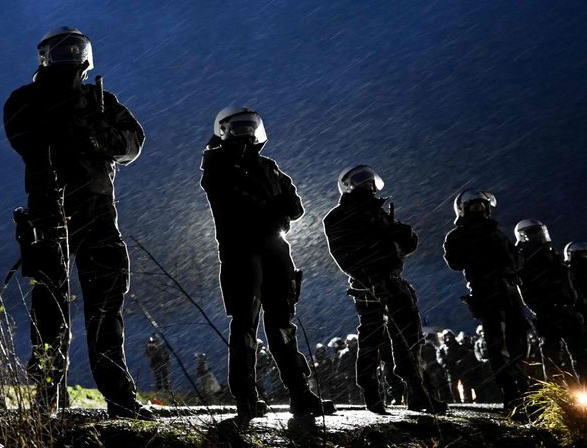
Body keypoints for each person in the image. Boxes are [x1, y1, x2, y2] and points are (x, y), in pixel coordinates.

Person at [3, 27, 148, 419]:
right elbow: (25, 139)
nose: (69, 56)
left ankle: (119, 395)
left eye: (75, 49)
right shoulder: (26, 99)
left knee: (105, 301)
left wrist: (97, 135)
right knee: (49, 301)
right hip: (47, 207)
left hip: (97, 209)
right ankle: (48, 394)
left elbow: (133, 141)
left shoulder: (100, 100)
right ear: (45, 57)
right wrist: (73, 121)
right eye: (61, 50)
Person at [200, 107, 334, 420]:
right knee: (245, 323)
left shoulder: (269, 166)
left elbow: (295, 205)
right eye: (238, 127)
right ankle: (247, 396)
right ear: (224, 131)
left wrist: (274, 209)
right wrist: (270, 208)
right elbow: (233, 196)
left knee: (282, 322)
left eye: (249, 126)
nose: (245, 132)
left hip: (275, 250)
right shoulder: (217, 163)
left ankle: (300, 393)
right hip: (240, 251)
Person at [322, 165, 446, 414]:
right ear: (348, 185)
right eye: (360, 181)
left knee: (410, 338)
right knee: (372, 337)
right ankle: (371, 393)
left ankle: (417, 393)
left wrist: (402, 234)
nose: (367, 185)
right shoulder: (338, 216)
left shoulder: (379, 212)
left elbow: (405, 246)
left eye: (369, 181)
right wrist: (369, 275)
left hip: (393, 280)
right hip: (367, 283)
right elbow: (344, 257)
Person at [443, 189, 530, 412]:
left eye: (483, 205)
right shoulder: (458, 235)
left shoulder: (498, 232)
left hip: (509, 292)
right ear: (463, 209)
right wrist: (481, 254)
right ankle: (511, 395)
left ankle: (527, 393)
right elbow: (455, 261)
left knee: (519, 344)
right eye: (474, 205)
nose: (480, 209)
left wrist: (512, 266)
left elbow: (516, 260)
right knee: (497, 347)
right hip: (487, 293)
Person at [514, 220, 587, 383]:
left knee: (580, 354)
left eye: (538, 232)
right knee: (553, 357)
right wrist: (542, 308)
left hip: (566, 310)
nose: (537, 235)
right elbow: (525, 290)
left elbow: (568, 283)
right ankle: (558, 395)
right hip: (546, 314)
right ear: (523, 236)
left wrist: (576, 304)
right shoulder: (523, 259)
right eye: (532, 232)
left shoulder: (552, 254)